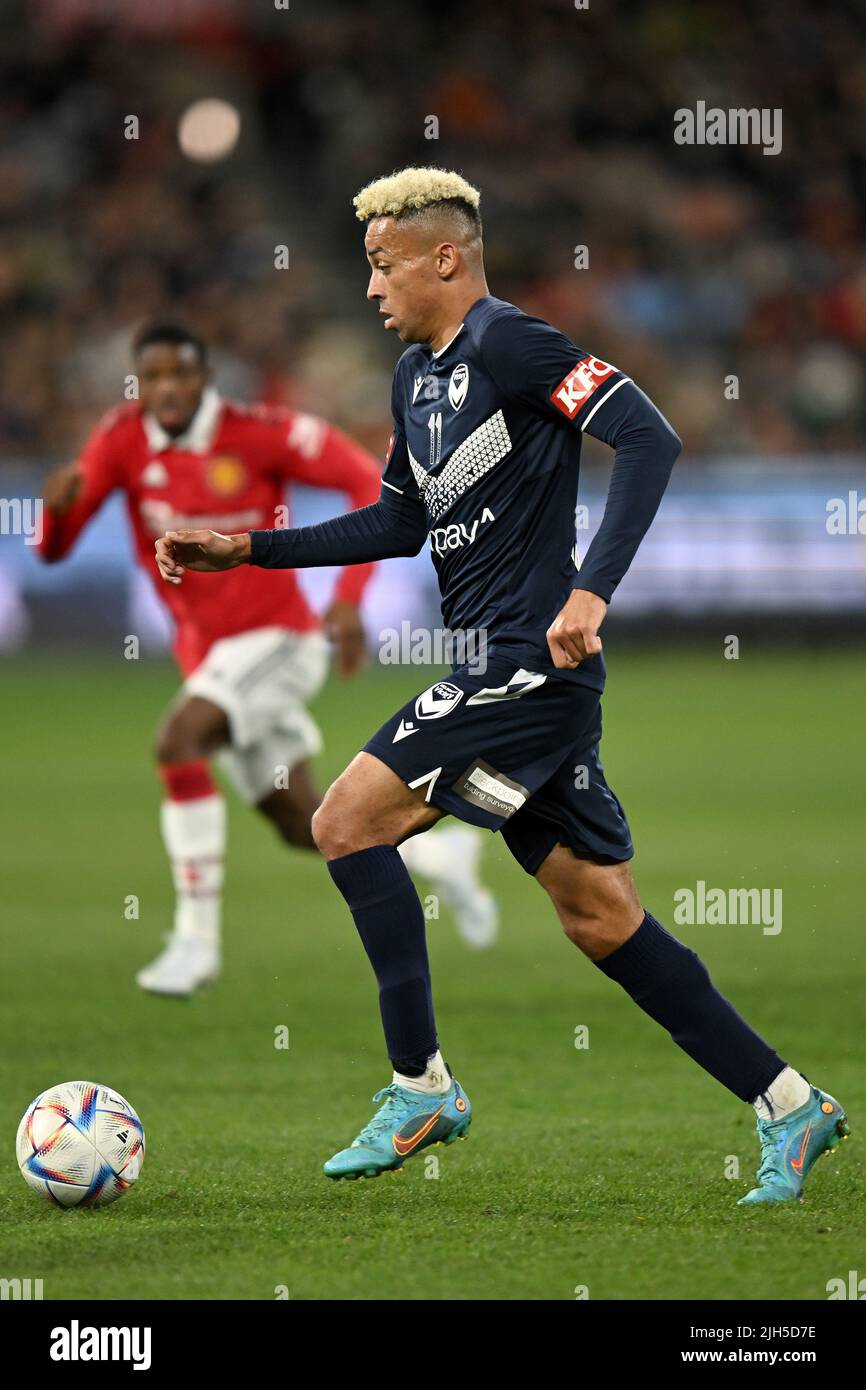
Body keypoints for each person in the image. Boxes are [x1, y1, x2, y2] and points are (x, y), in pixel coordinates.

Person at [154, 169, 848, 1204]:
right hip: (490, 669)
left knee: (344, 820)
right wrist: (246, 547)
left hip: (528, 664)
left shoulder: (513, 345)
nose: (374, 288)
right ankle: (791, 1103)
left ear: (445, 258)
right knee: (599, 915)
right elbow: (396, 521)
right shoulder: (412, 381)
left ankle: (418, 1085)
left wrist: (590, 589)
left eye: (386, 266)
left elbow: (648, 436)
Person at [38, 318, 499, 997]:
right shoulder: (120, 441)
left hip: (282, 642)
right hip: (209, 659)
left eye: (181, 373)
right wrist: (52, 515)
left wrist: (348, 597)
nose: (167, 388)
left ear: (206, 379)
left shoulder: (261, 433)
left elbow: (367, 484)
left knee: (178, 740)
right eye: (154, 376)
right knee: (304, 821)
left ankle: (195, 943)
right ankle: (442, 856)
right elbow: (53, 550)